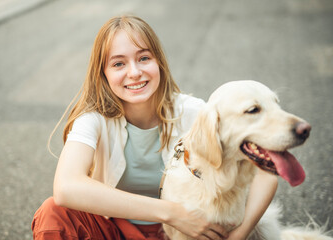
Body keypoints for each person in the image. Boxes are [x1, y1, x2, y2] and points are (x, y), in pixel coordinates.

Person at [31, 15, 278, 240]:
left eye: (144, 58)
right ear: (103, 74)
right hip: (118, 228)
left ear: (159, 62)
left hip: (186, 234)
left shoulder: (194, 112)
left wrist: (239, 235)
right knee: (53, 213)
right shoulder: (94, 119)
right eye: (118, 64)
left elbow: (266, 172)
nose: (135, 72)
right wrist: (171, 213)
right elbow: (66, 187)